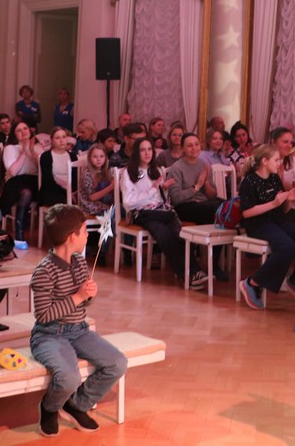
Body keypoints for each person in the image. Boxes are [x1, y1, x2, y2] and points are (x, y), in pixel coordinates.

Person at [30, 204, 128, 437]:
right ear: (71, 237)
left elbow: (84, 303)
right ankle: (49, 407)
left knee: (117, 363)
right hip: (49, 335)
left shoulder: (80, 262)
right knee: (69, 377)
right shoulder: (44, 271)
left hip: (79, 330)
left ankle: (76, 405)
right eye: (84, 231)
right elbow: (43, 315)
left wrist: (89, 295)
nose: (87, 235)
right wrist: (78, 296)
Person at [120, 136, 206, 288]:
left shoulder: (157, 170)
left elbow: (162, 198)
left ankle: (195, 271)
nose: (147, 153)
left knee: (180, 233)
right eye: (142, 150)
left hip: (162, 210)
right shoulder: (128, 173)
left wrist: (163, 189)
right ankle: (186, 275)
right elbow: (128, 201)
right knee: (163, 234)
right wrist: (153, 190)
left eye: (149, 149)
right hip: (142, 213)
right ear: (136, 153)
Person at [237, 144, 295, 310]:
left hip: (278, 220)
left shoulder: (274, 178)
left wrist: (288, 198)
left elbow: (282, 208)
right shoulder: (249, 181)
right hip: (258, 224)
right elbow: (247, 213)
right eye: (276, 160)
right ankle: (252, 283)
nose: (279, 163)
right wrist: (274, 203)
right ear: (264, 161)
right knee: (287, 247)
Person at [0, 120, 40, 242]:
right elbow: (13, 172)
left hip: (34, 181)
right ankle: (19, 235)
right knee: (26, 193)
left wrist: (32, 151)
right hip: (16, 181)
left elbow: (42, 169)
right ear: (14, 134)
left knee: (34, 191)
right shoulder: (10, 148)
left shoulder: (38, 147)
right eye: (19, 130)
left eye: (25, 129)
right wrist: (24, 152)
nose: (23, 132)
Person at [39, 127, 73, 208]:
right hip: (52, 191)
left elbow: (75, 178)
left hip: (70, 191)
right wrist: (66, 192)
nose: (62, 140)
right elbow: (48, 180)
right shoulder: (46, 156)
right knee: (64, 203)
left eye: (64, 137)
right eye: (57, 138)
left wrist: (72, 192)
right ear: (52, 141)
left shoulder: (73, 156)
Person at [78, 144, 115, 216]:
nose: (98, 159)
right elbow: (92, 197)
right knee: (115, 213)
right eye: (95, 156)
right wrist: (111, 186)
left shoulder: (105, 171)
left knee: (121, 208)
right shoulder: (87, 174)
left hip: (104, 203)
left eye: (102, 156)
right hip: (90, 206)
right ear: (90, 158)